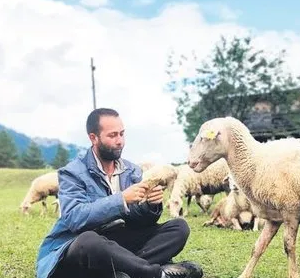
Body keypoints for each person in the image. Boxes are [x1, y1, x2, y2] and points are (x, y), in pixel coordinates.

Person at [36, 108, 203, 278]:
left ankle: (125, 271)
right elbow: (74, 218)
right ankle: (156, 273)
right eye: (113, 135)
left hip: (118, 242)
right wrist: (121, 199)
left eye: (122, 134)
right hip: (80, 245)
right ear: (93, 138)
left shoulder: (132, 170)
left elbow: (140, 221)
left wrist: (150, 206)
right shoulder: (72, 173)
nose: (120, 141)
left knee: (179, 227)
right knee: (90, 241)